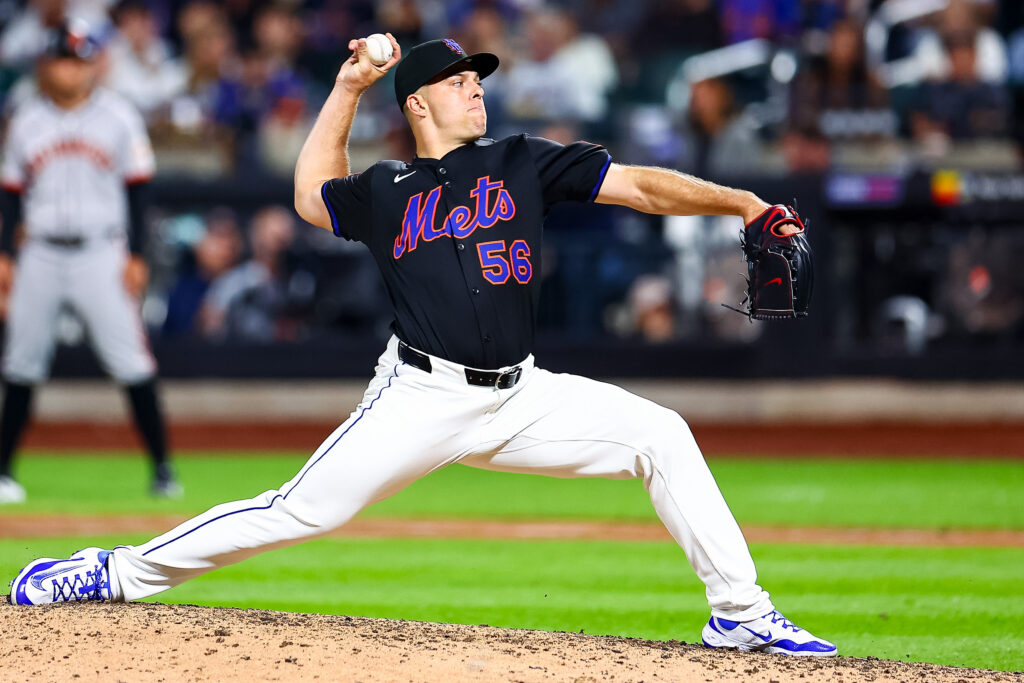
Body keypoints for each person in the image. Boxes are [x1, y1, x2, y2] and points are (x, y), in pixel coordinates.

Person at [8, 34, 836, 658]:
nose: (476, 89)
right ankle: (114, 571)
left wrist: (741, 202)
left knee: (662, 434)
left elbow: (642, 186)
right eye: (458, 81)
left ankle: (740, 612)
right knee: (299, 510)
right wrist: (347, 87)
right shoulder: (387, 188)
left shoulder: (522, 161)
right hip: (420, 395)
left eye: (479, 79)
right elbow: (309, 194)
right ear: (417, 104)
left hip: (523, 395)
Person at [0, 24, 181, 503]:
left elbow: (139, 191)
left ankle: (163, 469)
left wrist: (137, 255)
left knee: (131, 360)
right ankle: (3, 472)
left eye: (79, 61)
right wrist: (5, 256)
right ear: (47, 66)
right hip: (39, 251)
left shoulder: (118, 116)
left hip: (101, 252)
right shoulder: (26, 119)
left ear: (92, 66)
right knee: (20, 361)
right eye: (63, 60)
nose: (71, 70)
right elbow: (11, 194)